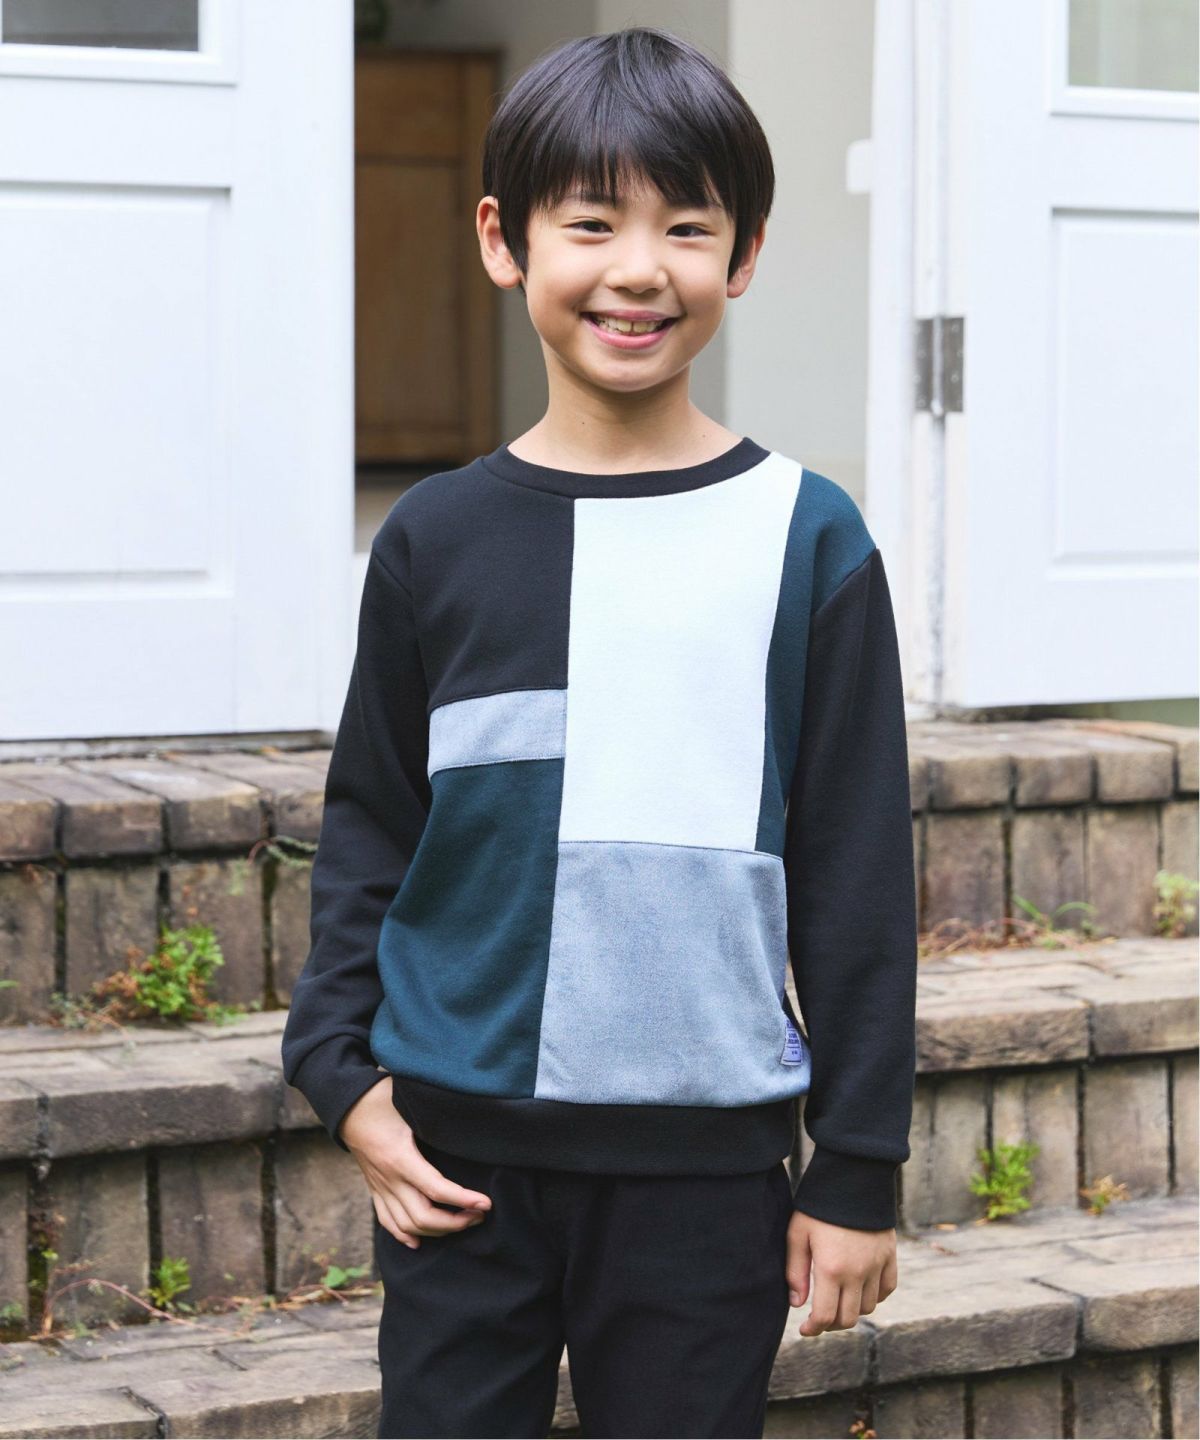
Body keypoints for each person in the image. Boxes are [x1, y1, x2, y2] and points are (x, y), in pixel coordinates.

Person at [281, 25, 917, 1440]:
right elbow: (373, 820)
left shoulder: (808, 539)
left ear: (744, 256)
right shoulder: (432, 538)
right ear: (504, 242)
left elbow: (860, 869)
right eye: (591, 223)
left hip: (706, 1168)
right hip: (455, 1158)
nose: (640, 269)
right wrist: (341, 1074)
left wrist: (857, 1166)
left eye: (687, 227)